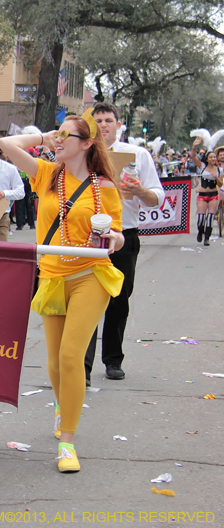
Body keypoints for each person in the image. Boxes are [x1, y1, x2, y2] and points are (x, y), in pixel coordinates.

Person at [0, 111, 125, 473]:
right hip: (52, 277)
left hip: (90, 275)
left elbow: (118, 234)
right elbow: (7, 144)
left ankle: (67, 442)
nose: (59, 140)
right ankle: (62, 404)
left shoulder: (105, 187)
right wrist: (46, 137)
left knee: (71, 357)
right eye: (58, 134)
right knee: (54, 363)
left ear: (87, 144)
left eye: (66, 136)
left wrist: (113, 239)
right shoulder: (46, 174)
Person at [85, 103, 165, 384]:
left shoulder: (138, 155)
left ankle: (113, 360)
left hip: (124, 234)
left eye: (108, 120)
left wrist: (139, 190)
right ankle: (82, 366)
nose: (103, 125)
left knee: (118, 301)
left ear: (118, 125)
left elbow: (157, 197)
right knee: (85, 300)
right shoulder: (82, 153)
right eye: (98, 121)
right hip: (87, 236)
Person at [191, 137, 222, 246]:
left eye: (214, 157)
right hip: (202, 195)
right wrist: (194, 146)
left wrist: (216, 177)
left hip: (214, 195)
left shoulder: (219, 170)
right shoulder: (202, 167)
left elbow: (220, 184)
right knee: (201, 217)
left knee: (210, 217)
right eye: (211, 157)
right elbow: (193, 157)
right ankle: (200, 231)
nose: (213, 159)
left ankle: (207, 238)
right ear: (207, 159)